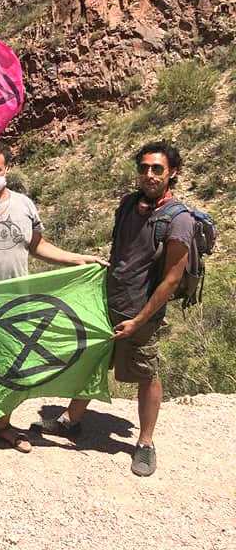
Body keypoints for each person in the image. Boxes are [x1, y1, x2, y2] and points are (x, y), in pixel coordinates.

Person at [0, 139, 105, 468]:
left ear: (7, 169)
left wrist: (77, 259)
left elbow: (37, 245)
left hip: (16, 304)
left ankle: (1, 424)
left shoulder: (24, 205)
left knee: (12, 367)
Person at [31, 141, 193, 477]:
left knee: (146, 373)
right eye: (144, 168)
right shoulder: (128, 204)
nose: (149, 175)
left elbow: (171, 280)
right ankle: (71, 420)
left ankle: (145, 443)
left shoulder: (179, 220)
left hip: (142, 311)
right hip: (108, 301)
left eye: (157, 169)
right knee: (92, 360)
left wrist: (139, 319)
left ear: (172, 173)